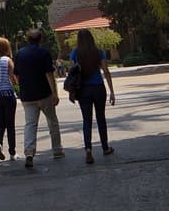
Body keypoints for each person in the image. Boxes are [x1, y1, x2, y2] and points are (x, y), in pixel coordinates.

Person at [12, 28, 64, 169]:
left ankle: (29, 153)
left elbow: (16, 75)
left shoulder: (20, 54)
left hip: (27, 95)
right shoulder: (44, 53)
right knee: (52, 121)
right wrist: (55, 93)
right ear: (40, 39)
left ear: (27, 39)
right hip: (44, 93)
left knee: (30, 124)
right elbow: (49, 74)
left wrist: (23, 85)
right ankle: (57, 149)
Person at [70, 28, 116, 163]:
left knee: (87, 119)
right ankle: (105, 147)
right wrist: (112, 91)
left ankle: (88, 149)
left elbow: (72, 71)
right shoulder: (99, 52)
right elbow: (106, 71)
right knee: (101, 117)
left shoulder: (75, 53)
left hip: (83, 89)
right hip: (98, 87)